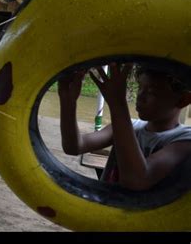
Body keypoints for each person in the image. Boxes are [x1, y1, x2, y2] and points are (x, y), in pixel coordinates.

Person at [58, 62, 191, 191]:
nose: (140, 97)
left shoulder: (185, 140)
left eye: (151, 92)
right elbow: (74, 146)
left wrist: (117, 103)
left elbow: (137, 179)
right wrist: (68, 101)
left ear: (183, 100)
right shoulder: (131, 126)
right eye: (140, 88)